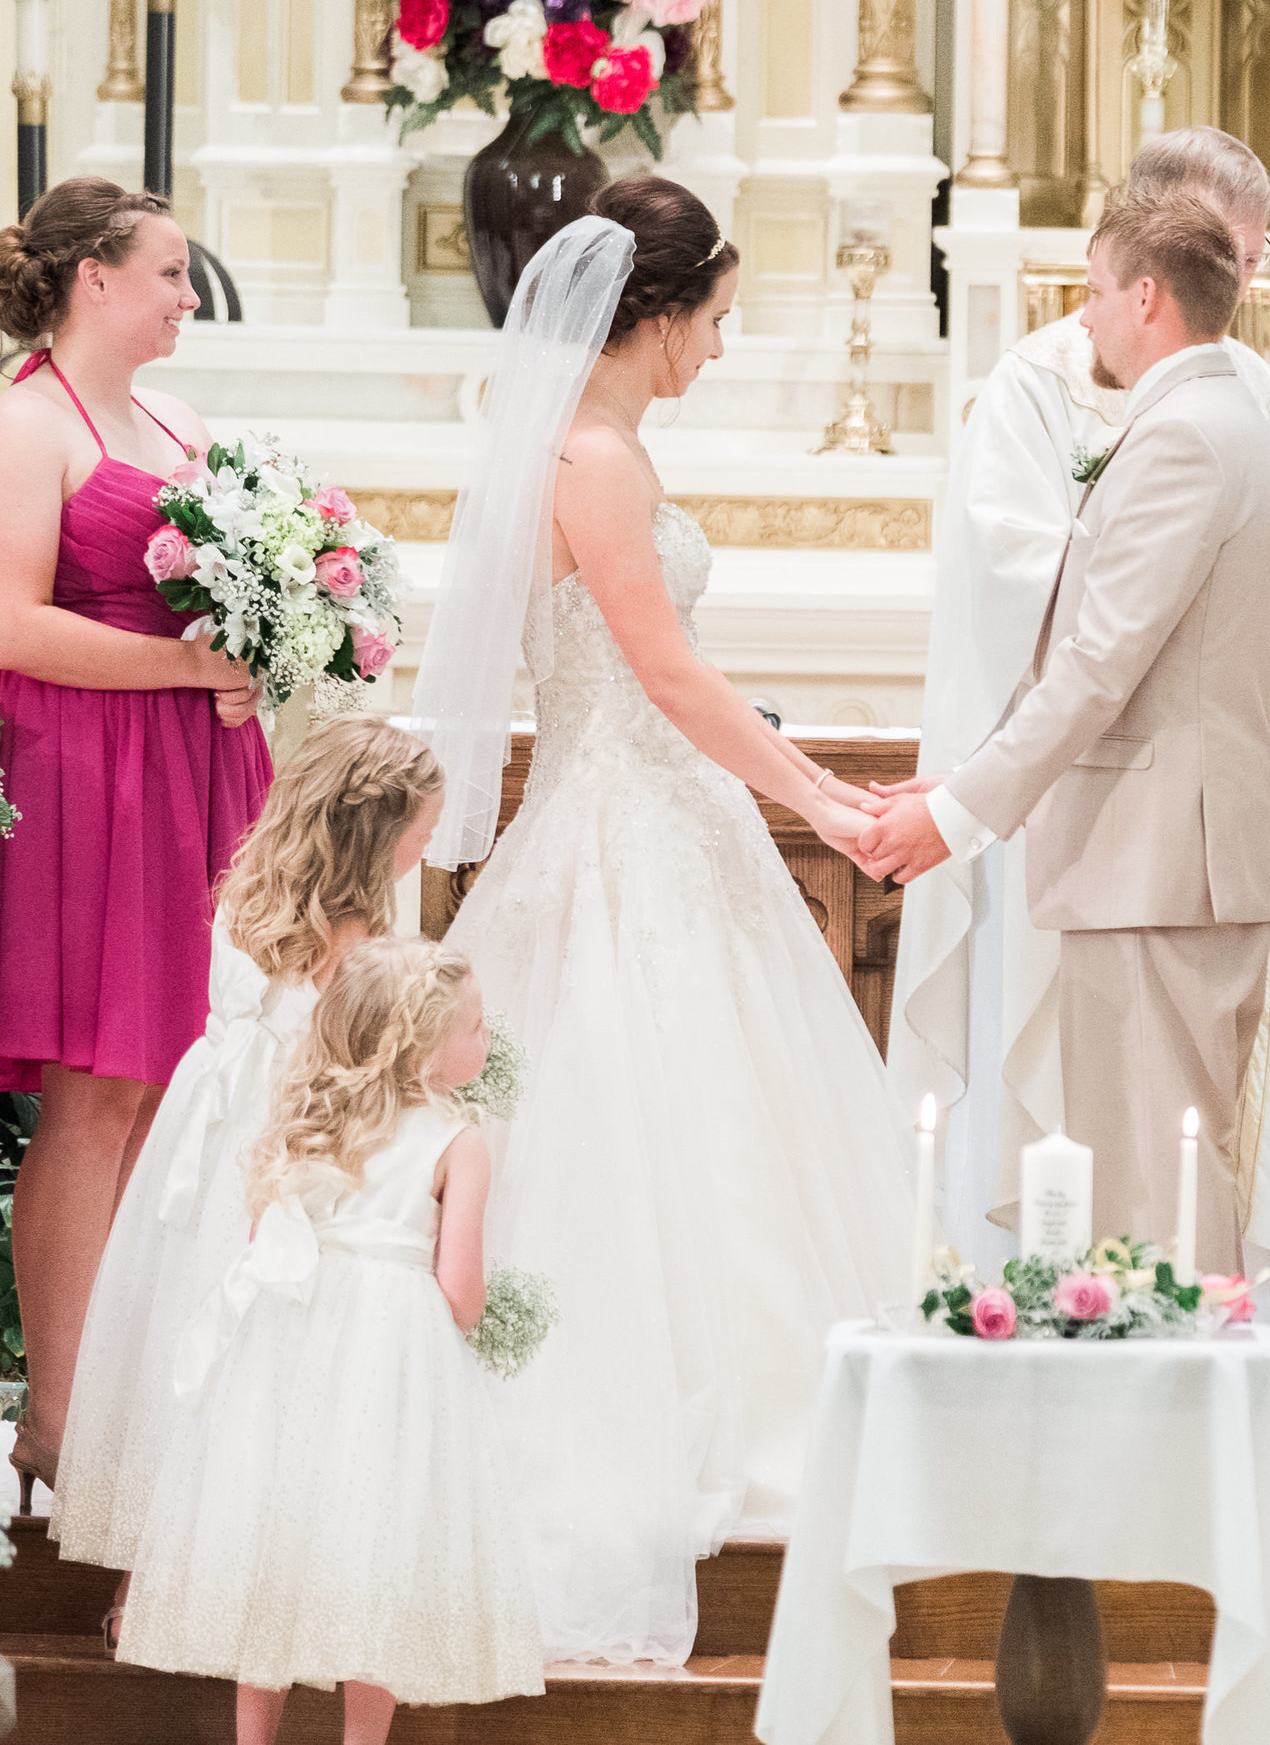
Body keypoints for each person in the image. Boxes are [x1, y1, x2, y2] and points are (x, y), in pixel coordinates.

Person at [409, 178, 914, 1667]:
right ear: (656, 313)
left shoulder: (583, 445)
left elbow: (655, 683)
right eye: (714, 321)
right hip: (627, 827)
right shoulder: (599, 458)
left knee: (692, 1116)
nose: (719, 350)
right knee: (647, 1114)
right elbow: (669, 676)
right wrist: (823, 797)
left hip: (638, 809)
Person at [889, 126, 1270, 1309]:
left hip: (1152, 831)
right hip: (1108, 812)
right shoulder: (1066, 385)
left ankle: (1151, 1389)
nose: (1245, 286)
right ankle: (1120, 1354)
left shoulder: (1208, 412)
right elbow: (1030, 578)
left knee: (1156, 1168)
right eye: (1231, 257)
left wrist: (953, 812)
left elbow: (1109, 648)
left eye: (1252, 262)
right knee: (1143, 1151)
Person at [49, 714, 444, 1641]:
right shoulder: (357, 944)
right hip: (281, 1148)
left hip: (207, 1130)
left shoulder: (251, 897)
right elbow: (355, 1065)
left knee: (173, 1340)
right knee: (253, 1353)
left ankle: (141, 1582)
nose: (432, 838)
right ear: (379, 831)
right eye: (424, 825)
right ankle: (251, 1577)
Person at [0, 177, 268, 1490]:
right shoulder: (27, 422)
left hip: (198, 773)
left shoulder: (175, 416)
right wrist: (185, 671)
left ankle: (145, 1400)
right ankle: (58, 1411)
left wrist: (268, 646)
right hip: (90, 776)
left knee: (181, 1088)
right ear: (91, 278)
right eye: (167, 271)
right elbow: (11, 620)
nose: (185, 294)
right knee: (96, 1091)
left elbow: (234, 593)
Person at [119, 938, 543, 1742]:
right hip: (392, 1365)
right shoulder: (458, 1142)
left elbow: (261, 1237)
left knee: (276, 1547)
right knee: (376, 1547)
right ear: (423, 1044)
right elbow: (459, 1295)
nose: (487, 1038)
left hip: (289, 1349)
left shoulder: (303, 1125)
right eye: (477, 1025)